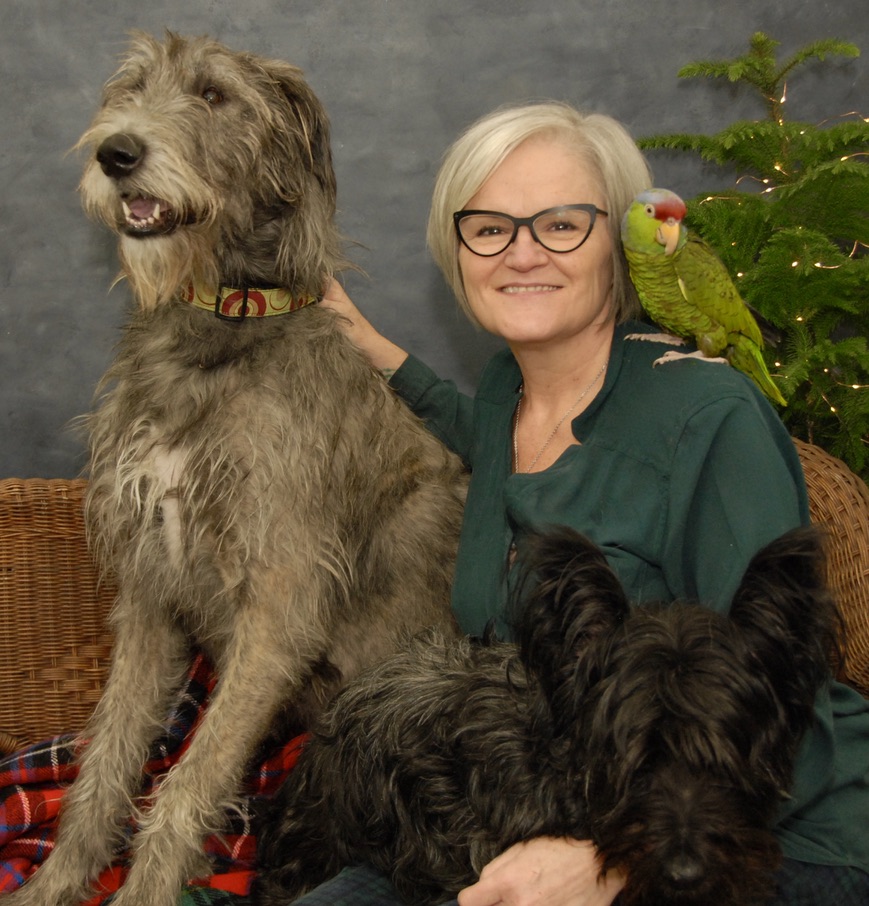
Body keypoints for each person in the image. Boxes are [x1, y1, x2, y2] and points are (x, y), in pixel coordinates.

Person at [294, 101, 869, 905]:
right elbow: (476, 432)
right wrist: (366, 340)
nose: (521, 253)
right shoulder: (505, 392)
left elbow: (782, 699)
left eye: (560, 224)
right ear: (456, 251)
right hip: (548, 810)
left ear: (619, 246)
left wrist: (610, 867)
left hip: (756, 841)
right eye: (489, 227)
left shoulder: (707, 417)